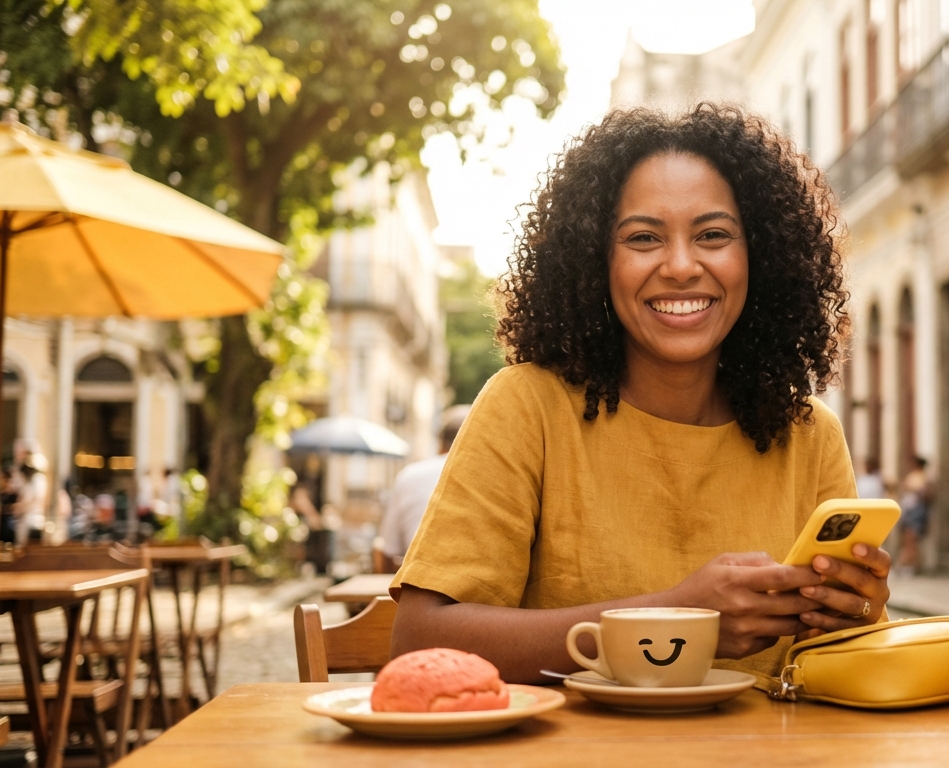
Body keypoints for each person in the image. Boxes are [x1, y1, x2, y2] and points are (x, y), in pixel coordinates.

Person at [390, 104, 892, 684]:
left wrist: (853, 613)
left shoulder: (808, 433)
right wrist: (678, 618)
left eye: (713, 235)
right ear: (595, 260)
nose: (681, 266)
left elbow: (842, 671)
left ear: (762, 257)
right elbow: (418, 642)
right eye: (644, 238)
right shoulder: (527, 407)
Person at [379, 406, 471, 562]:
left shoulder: (409, 475)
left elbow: (390, 549)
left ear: (441, 443)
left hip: (422, 577)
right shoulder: (494, 476)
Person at [897, 456, 933, 576]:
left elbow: (926, 495)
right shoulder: (916, 476)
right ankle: (910, 566)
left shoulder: (922, 478)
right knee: (909, 540)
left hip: (916, 512)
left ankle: (908, 567)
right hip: (910, 511)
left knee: (911, 540)